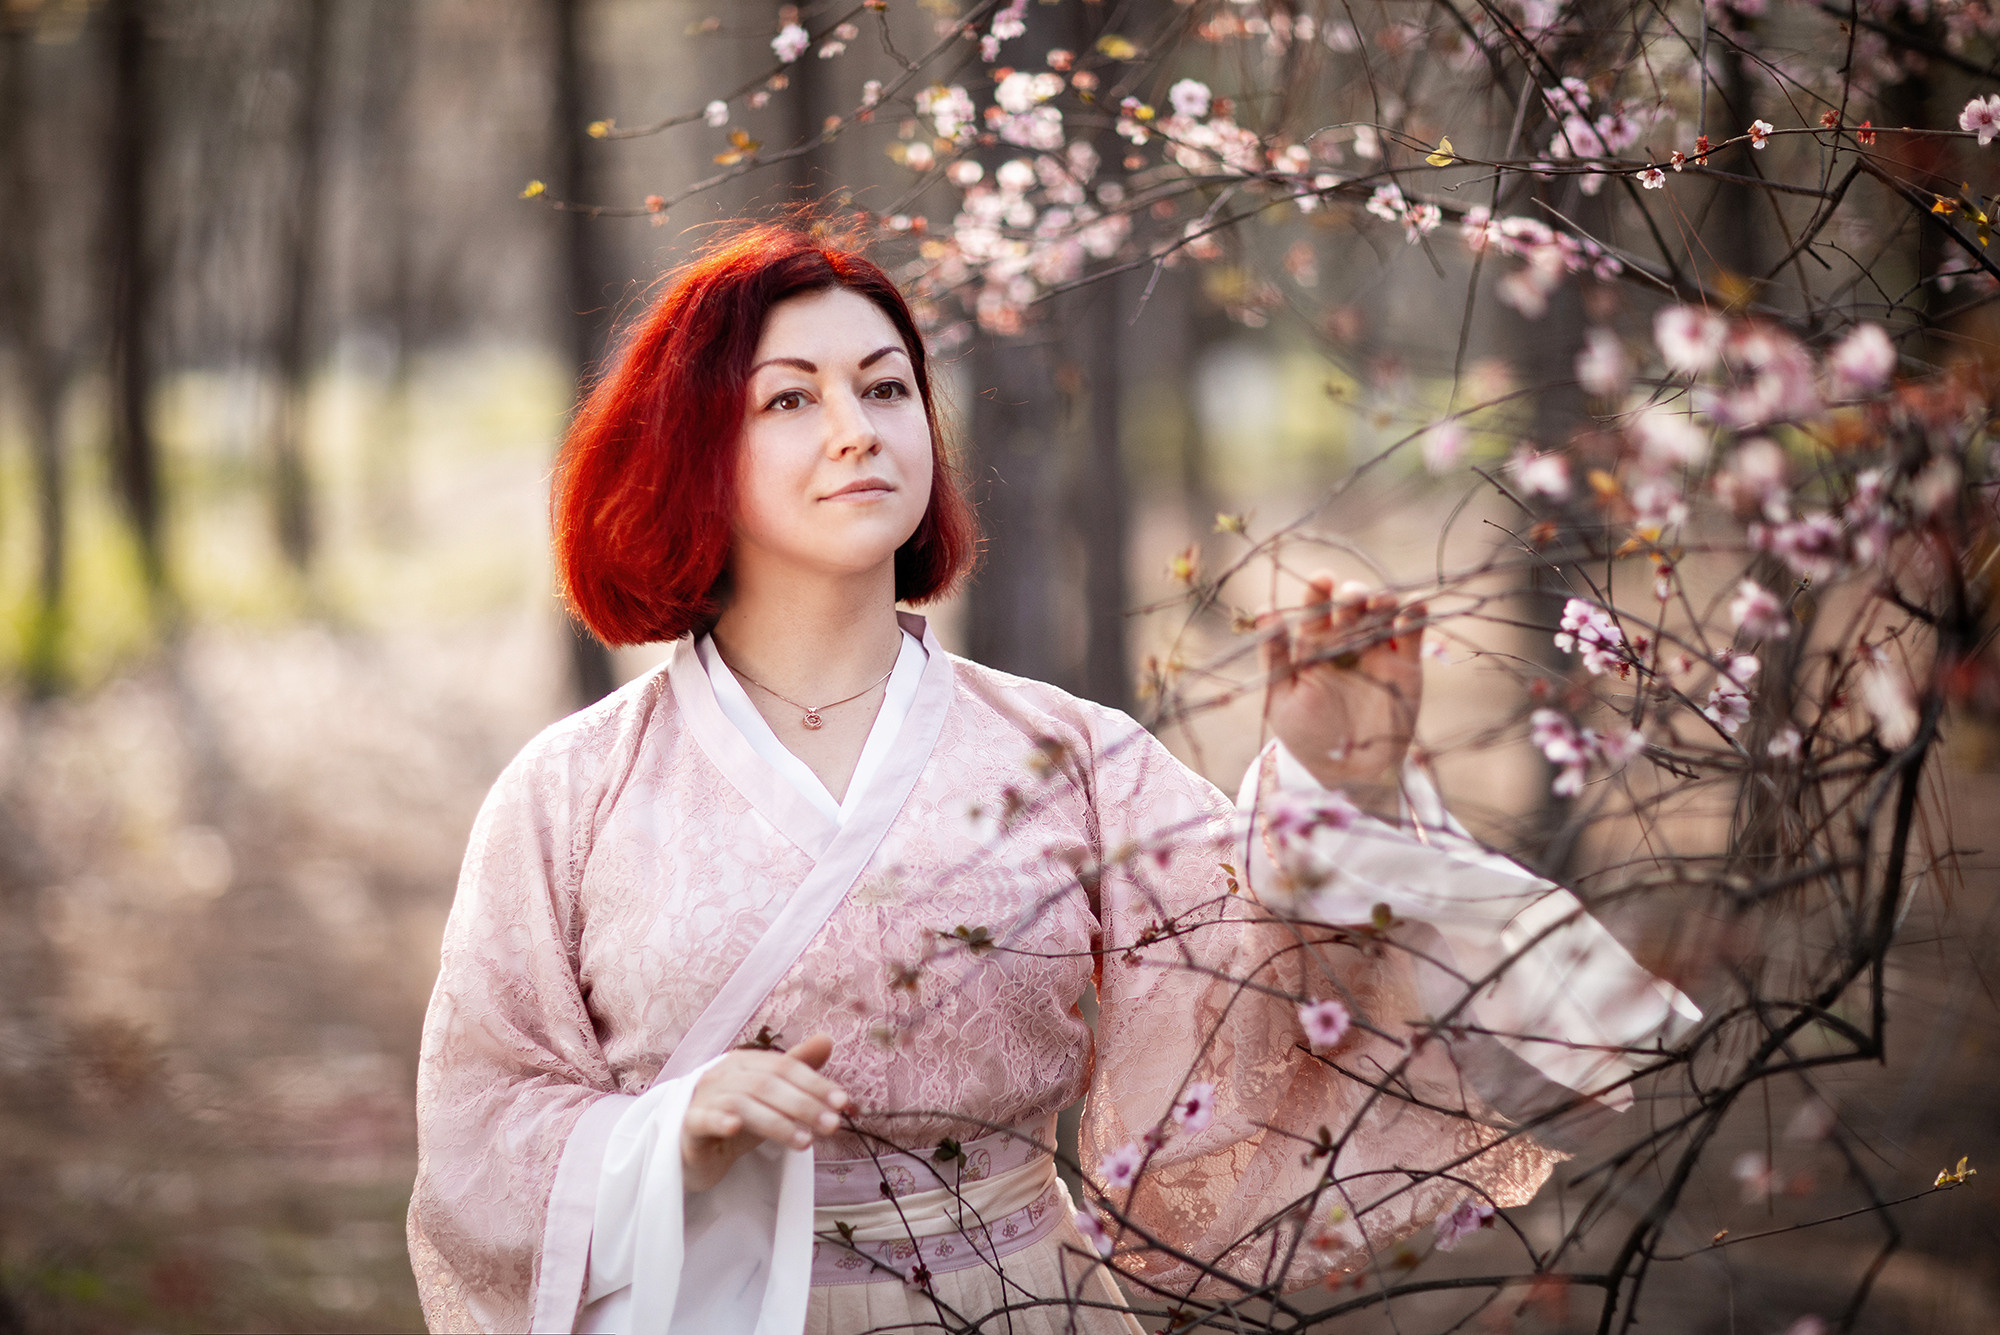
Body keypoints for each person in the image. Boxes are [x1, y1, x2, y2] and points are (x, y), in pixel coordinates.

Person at [406, 224, 1696, 1335]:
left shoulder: (1072, 760)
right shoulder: (571, 790)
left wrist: (1333, 789)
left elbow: (1250, 1017)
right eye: (790, 399)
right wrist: (669, 1130)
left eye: (889, 387)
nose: (859, 431)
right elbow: (476, 1133)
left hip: (1015, 1302)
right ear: (697, 451)